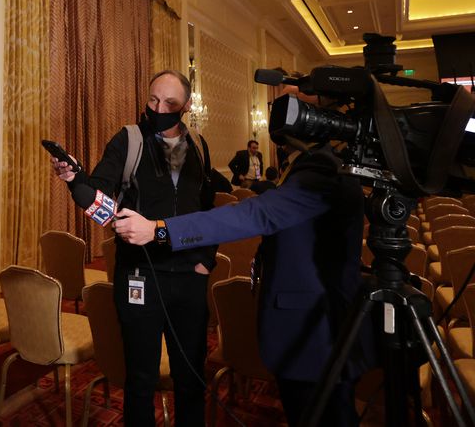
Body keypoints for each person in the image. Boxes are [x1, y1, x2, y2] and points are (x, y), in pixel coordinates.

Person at [113, 138, 375, 427]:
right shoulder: (314, 165)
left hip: (318, 333)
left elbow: (255, 213)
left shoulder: (323, 169)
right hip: (310, 328)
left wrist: (158, 229)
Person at [52, 70, 217, 426]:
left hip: (189, 277)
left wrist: (205, 261)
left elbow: (207, 209)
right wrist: (74, 180)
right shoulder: (129, 139)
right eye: (153, 100)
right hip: (140, 276)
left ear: (186, 107)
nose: (158, 108)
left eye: (169, 103)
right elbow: (97, 193)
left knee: (190, 378)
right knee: (140, 378)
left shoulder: (199, 146)